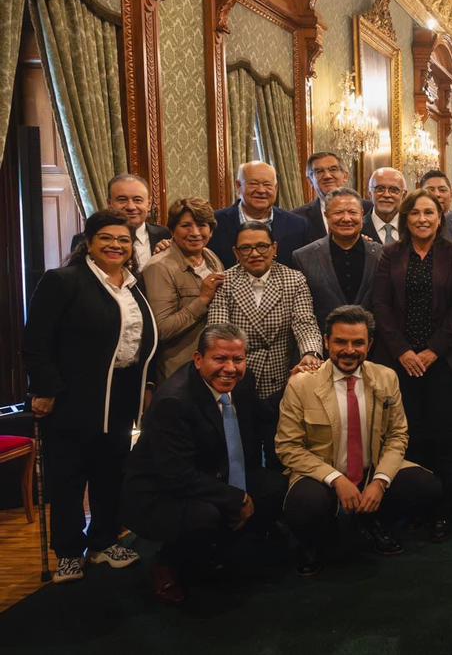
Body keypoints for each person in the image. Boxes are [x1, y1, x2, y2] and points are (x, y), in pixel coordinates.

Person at [24, 210, 158, 583]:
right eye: (107, 238)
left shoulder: (133, 285)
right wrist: (45, 389)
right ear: (89, 242)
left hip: (121, 395)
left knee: (110, 472)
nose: (116, 245)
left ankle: (103, 541)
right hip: (72, 397)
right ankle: (69, 552)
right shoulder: (63, 280)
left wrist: (147, 385)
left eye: (124, 240)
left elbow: (141, 339)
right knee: (69, 476)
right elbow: (36, 341)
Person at [121, 324, 284, 604]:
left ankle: (222, 553)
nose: (230, 368)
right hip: (161, 492)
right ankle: (167, 563)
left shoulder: (244, 380)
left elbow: (263, 414)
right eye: (220, 359)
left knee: (275, 486)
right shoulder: (174, 401)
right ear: (198, 360)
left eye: (238, 359)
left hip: (211, 474)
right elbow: (177, 475)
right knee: (206, 514)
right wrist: (238, 498)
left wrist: (293, 385)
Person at [277, 305, 443, 576]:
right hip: (321, 475)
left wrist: (380, 481)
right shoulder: (301, 383)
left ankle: (373, 520)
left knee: (426, 486)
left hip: (370, 471)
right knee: (306, 504)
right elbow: (288, 447)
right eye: (340, 342)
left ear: (370, 344)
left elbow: (397, 435)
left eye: (358, 343)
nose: (349, 350)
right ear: (326, 341)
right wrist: (336, 479)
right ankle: (313, 542)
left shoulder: (386, 377)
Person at [371, 189, 452, 543]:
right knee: (409, 437)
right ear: (406, 218)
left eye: (429, 212)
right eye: (415, 213)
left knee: (447, 439)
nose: (422, 219)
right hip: (400, 363)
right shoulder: (390, 254)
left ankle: (445, 511)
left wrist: (433, 351)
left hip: (444, 362)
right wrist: (403, 351)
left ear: (440, 217)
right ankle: (416, 506)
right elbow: (380, 306)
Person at [207, 221, 323, 465]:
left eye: (262, 246)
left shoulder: (294, 279)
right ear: (236, 252)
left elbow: (305, 323)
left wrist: (310, 353)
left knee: (279, 454)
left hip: (280, 382)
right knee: (241, 454)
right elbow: (218, 333)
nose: (255, 253)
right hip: (237, 380)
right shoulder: (224, 282)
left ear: (274, 248)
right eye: (246, 248)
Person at [143, 197, 226, 381]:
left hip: (213, 368)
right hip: (179, 373)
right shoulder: (159, 267)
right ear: (172, 230)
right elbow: (161, 330)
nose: (195, 233)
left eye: (201, 225)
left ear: (211, 231)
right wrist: (202, 300)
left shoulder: (211, 257)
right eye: (186, 225)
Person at [294, 189, 383, 328]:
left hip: (372, 339)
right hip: (322, 339)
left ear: (362, 214)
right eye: (338, 212)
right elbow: (302, 312)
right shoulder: (304, 257)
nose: (346, 218)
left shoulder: (381, 254)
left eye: (352, 212)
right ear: (326, 215)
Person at [209, 161, 310, 268]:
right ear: (238, 186)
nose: (261, 190)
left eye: (267, 185)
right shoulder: (215, 222)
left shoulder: (297, 225)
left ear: (275, 188)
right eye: (253, 184)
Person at [70, 173, 172, 270]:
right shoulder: (85, 239)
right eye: (122, 200)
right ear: (109, 203)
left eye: (137, 200)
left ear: (149, 204)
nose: (131, 207)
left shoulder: (165, 235)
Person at [293, 152, 372, 244]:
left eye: (333, 169)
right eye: (319, 171)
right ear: (310, 180)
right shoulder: (297, 218)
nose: (327, 176)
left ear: (345, 176)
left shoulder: (370, 209)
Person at [365, 166, 407, 244]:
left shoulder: (413, 228)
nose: (386, 195)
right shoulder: (357, 229)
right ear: (370, 193)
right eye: (380, 189)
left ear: (404, 195)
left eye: (394, 190)